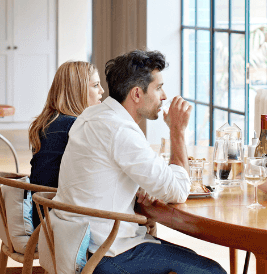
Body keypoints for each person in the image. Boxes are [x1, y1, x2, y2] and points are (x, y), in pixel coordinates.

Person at [55, 49, 226, 274]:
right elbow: (178, 191)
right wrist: (177, 130)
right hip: (106, 253)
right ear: (137, 94)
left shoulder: (92, 116)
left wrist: (141, 187)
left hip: (76, 245)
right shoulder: (120, 131)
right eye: (158, 88)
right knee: (212, 271)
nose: (164, 96)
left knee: (192, 260)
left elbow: (109, 174)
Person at [27, 61, 103, 227]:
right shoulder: (74, 127)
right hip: (60, 223)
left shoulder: (48, 122)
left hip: (41, 215)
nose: (102, 92)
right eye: (96, 85)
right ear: (78, 89)